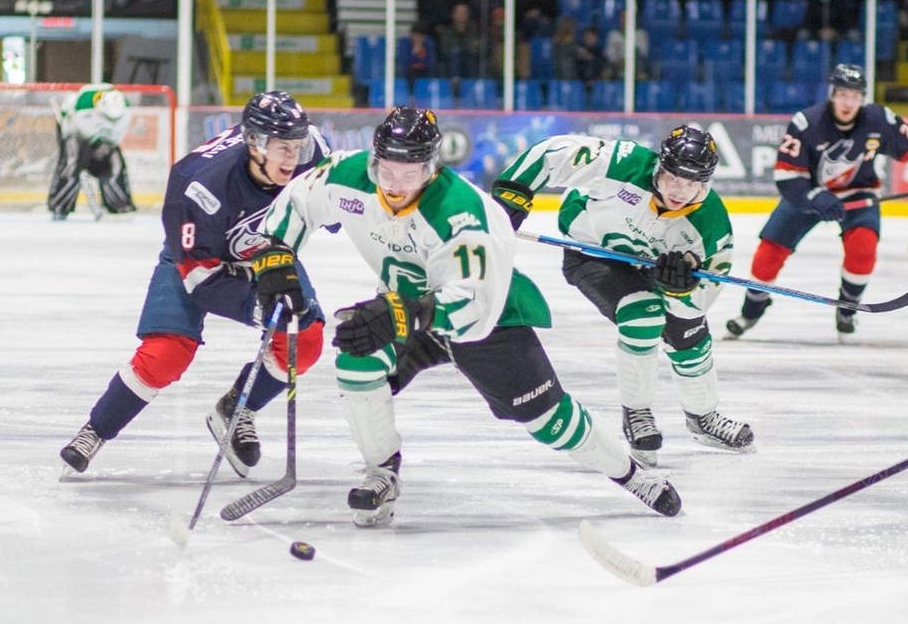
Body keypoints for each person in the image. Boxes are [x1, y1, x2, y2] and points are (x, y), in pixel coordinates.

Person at [253, 107, 683, 526]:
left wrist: (406, 312)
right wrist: (275, 256)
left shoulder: (465, 214)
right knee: (356, 359)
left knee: (550, 422)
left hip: (489, 317)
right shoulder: (348, 176)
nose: (395, 184)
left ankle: (632, 474)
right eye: (387, 169)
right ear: (374, 159)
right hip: (405, 308)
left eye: (410, 173)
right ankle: (381, 472)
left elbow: (474, 309)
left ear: (431, 167)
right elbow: (299, 201)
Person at [58, 92, 329, 475]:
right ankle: (96, 430)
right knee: (166, 353)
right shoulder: (198, 187)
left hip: (268, 255)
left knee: (306, 338)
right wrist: (260, 307)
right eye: (282, 148)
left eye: (297, 147)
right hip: (199, 258)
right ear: (254, 143)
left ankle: (237, 409)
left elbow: (346, 204)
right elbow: (202, 281)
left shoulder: (313, 154)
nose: (292, 158)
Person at [491, 126, 755, 465]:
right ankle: (637, 414)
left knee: (688, 332)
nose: (680, 191)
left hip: (652, 268)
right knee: (641, 314)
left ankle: (703, 417)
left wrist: (683, 285)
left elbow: (705, 291)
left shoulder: (710, 222)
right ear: (661, 165)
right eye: (674, 178)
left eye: (692, 184)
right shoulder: (624, 163)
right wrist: (513, 193)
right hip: (593, 253)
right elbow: (552, 152)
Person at [724, 64, 908, 339]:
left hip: (858, 193)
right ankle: (751, 312)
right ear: (832, 95)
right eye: (843, 95)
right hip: (808, 194)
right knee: (768, 254)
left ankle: (846, 309)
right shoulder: (806, 123)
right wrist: (816, 197)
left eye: (855, 96)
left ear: (863, 98)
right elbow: (787, 176)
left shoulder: (878, 119)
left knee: (863, 248)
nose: (849, 103)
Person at [48, 83, 137, 221]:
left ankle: (119, 205)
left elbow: (115, 137)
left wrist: (103, 146)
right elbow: (73, 131)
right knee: (71, 161)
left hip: (102, 139)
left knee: (115, 162)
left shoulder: (124, 106)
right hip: (75, 135)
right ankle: (60, 205)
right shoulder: (83, 103)